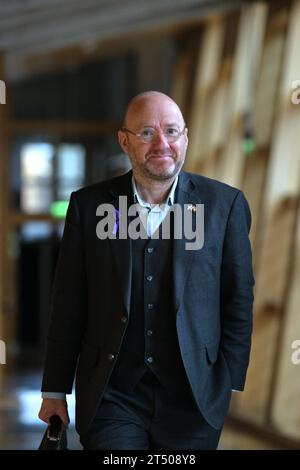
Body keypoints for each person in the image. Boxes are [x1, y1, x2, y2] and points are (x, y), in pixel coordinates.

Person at [38, 91, 254, 450]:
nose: (162, 144)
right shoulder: (89, 206)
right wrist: (55, 388)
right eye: (146, 133)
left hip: (193, 398)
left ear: (185, 137)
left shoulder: (224, 205)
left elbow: (238, 296)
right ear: (124, 140)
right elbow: (68, 303)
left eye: (171, 131)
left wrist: (225, 380)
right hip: (113, 394)